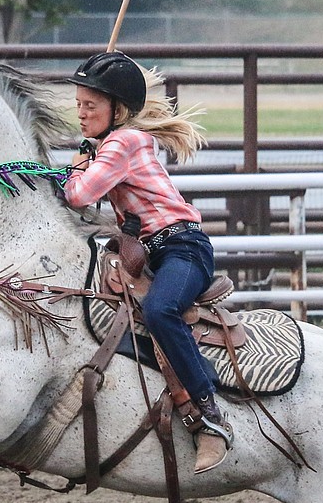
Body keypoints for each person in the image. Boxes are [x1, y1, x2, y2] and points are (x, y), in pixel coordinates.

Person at [61, 52, 233, 474]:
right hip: (156, 249)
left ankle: (210, 413)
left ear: (117, 109)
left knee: (160, 309)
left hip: (183, 248)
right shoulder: (114, 144)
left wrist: (77, 167)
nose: (81, 114)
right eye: (79, 104)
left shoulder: (123, 142)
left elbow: (80, 196)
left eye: (91, 106)